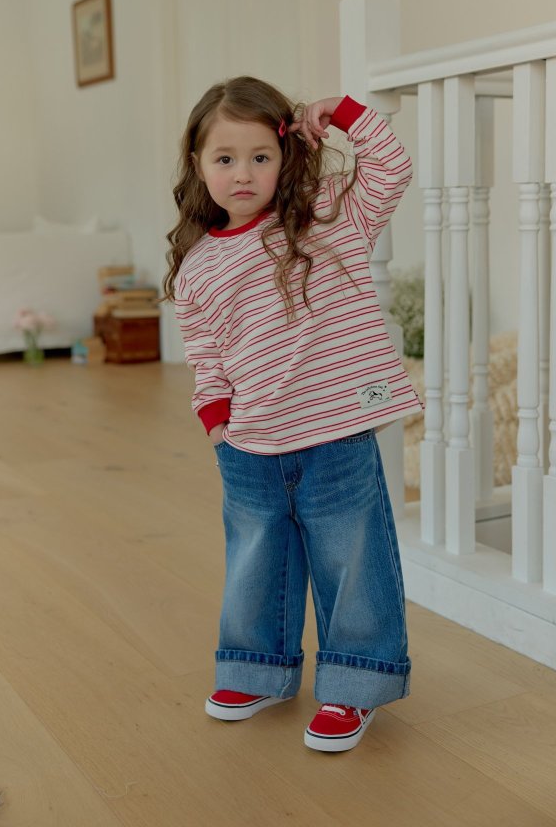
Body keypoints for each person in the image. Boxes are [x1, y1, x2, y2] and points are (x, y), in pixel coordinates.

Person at [161, 76, 424, 753]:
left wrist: (342, 112)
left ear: (286, 157)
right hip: (249, 442)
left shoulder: (328, 215)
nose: (243, 174)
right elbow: (206, 354)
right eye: (225, 159)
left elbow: (392, 168)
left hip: (336, 435)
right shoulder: (196, 267)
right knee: (256, 560)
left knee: (351, 558)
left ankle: (356, 683)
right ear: (198, 164)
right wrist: (216, 419)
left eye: (260, 157)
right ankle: (256, 670)